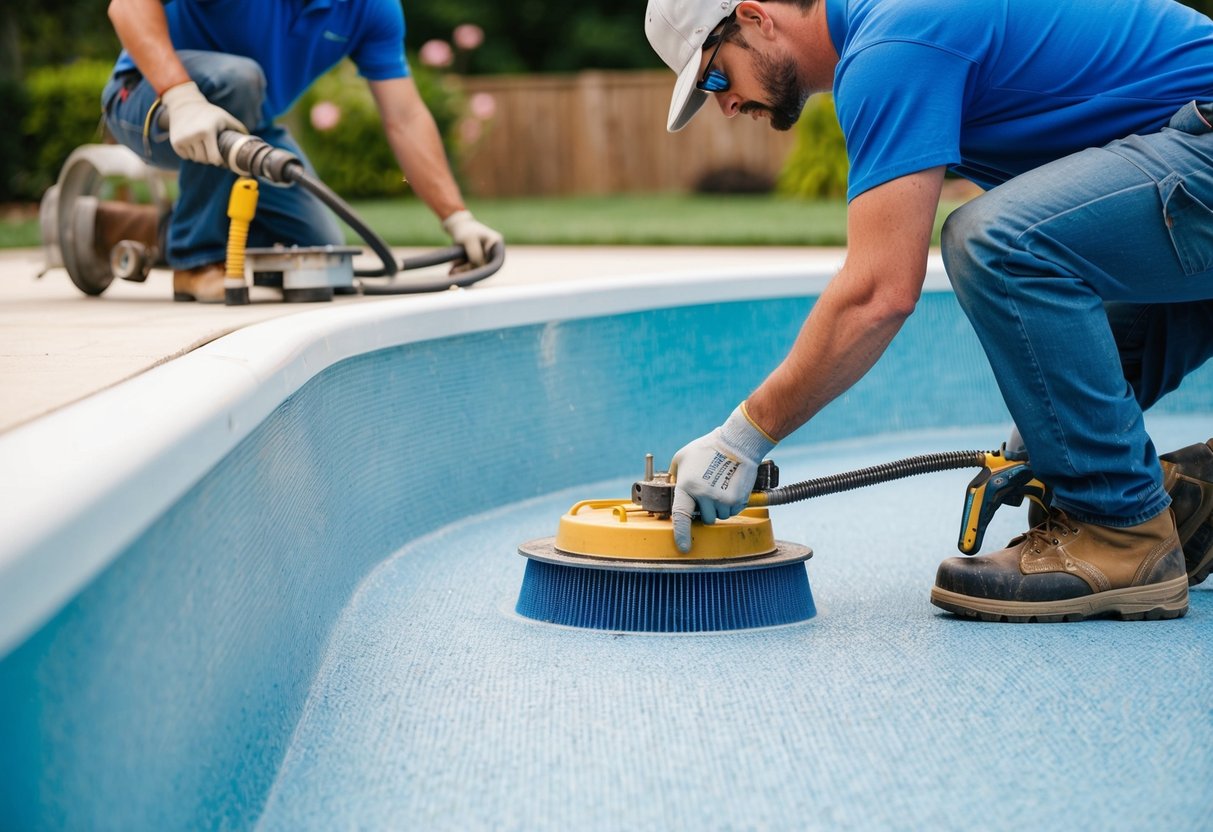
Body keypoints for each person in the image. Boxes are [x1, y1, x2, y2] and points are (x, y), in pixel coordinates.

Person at [645, 0, 1213, 621]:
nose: (725, 106)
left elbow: (878, 294)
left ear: (755, 16)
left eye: (717, 76)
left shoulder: (893, 45)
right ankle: (1185, 495)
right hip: (1190, 164)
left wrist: (741, 439)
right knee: (1053, 445)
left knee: (995, 243)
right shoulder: (896, 25)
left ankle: (1123, 536)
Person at [102, 0, 502, 302]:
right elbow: (126, 5)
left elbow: (406, 117)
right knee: (239, 78)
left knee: (317, 254)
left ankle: (123, 228)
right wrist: (181, 95)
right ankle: (195, 259)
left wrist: (457, 219)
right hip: (149, 97)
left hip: (248, 124)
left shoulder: (373, 9)